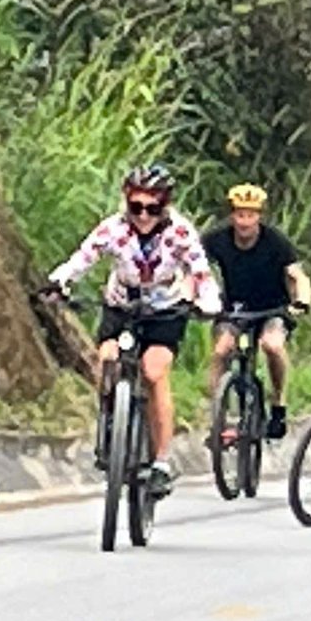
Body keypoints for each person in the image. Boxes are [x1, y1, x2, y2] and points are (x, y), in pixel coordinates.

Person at [47, 163, 221, 496]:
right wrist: (60, 281)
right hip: (121, 305)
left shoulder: (180, 232)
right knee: (107, 358)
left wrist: (208, 302)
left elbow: (200, 271)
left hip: (165, 310)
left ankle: (160, 461)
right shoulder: (113, 228)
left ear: (165, 205)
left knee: (154, 372)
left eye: (152, 208)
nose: (143, 215)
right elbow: (84, 257)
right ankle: (113, 425)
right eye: (136, 207)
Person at [202, 183, 311, 440]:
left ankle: (278, 404)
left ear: (259, 216)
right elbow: (193, 268)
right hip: (234, 308)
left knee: (272, 345)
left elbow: (297, 276)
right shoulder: (216, 239)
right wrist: (192, 296)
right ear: (232, 215)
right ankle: (217, 415)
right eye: (240, 214)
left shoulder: (275, 241)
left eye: (251, 215)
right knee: (222, 350)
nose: (245, 222)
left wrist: (302, 300)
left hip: (273, 307)